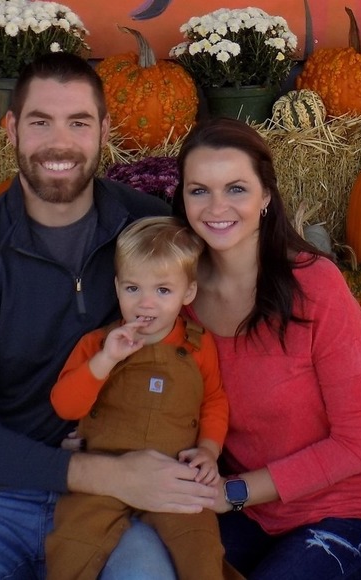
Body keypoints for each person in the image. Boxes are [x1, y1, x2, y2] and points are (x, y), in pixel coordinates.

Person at [0, 53, 217, 580]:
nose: (59, 143)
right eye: (41, 122)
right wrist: (104, 473)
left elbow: (233, 296)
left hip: (116, 503)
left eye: (78, 123)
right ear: (12, 128)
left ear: (104, 131)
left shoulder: (147, 230)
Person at [171, 117, 361, 579]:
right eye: (199, 190)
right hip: (254, 517)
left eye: (236, 188)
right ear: (182, 198)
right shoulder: (178, 296)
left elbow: (359, 442)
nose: (217, 206)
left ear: (266, 195)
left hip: (354, 516)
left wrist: (234, 492)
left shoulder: (314, 283)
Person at [46, 216, 243, 580]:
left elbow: (214, 402)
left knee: (201, 549)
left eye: (163, 291)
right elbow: (65, 406)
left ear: (188, 293)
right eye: (133, 288)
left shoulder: (199, 345)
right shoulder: (96, 344)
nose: (145, 303)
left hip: (175, 476)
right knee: (72, 547)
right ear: (117, 287)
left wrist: (208, 450)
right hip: (102, 476)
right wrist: (106, 360)